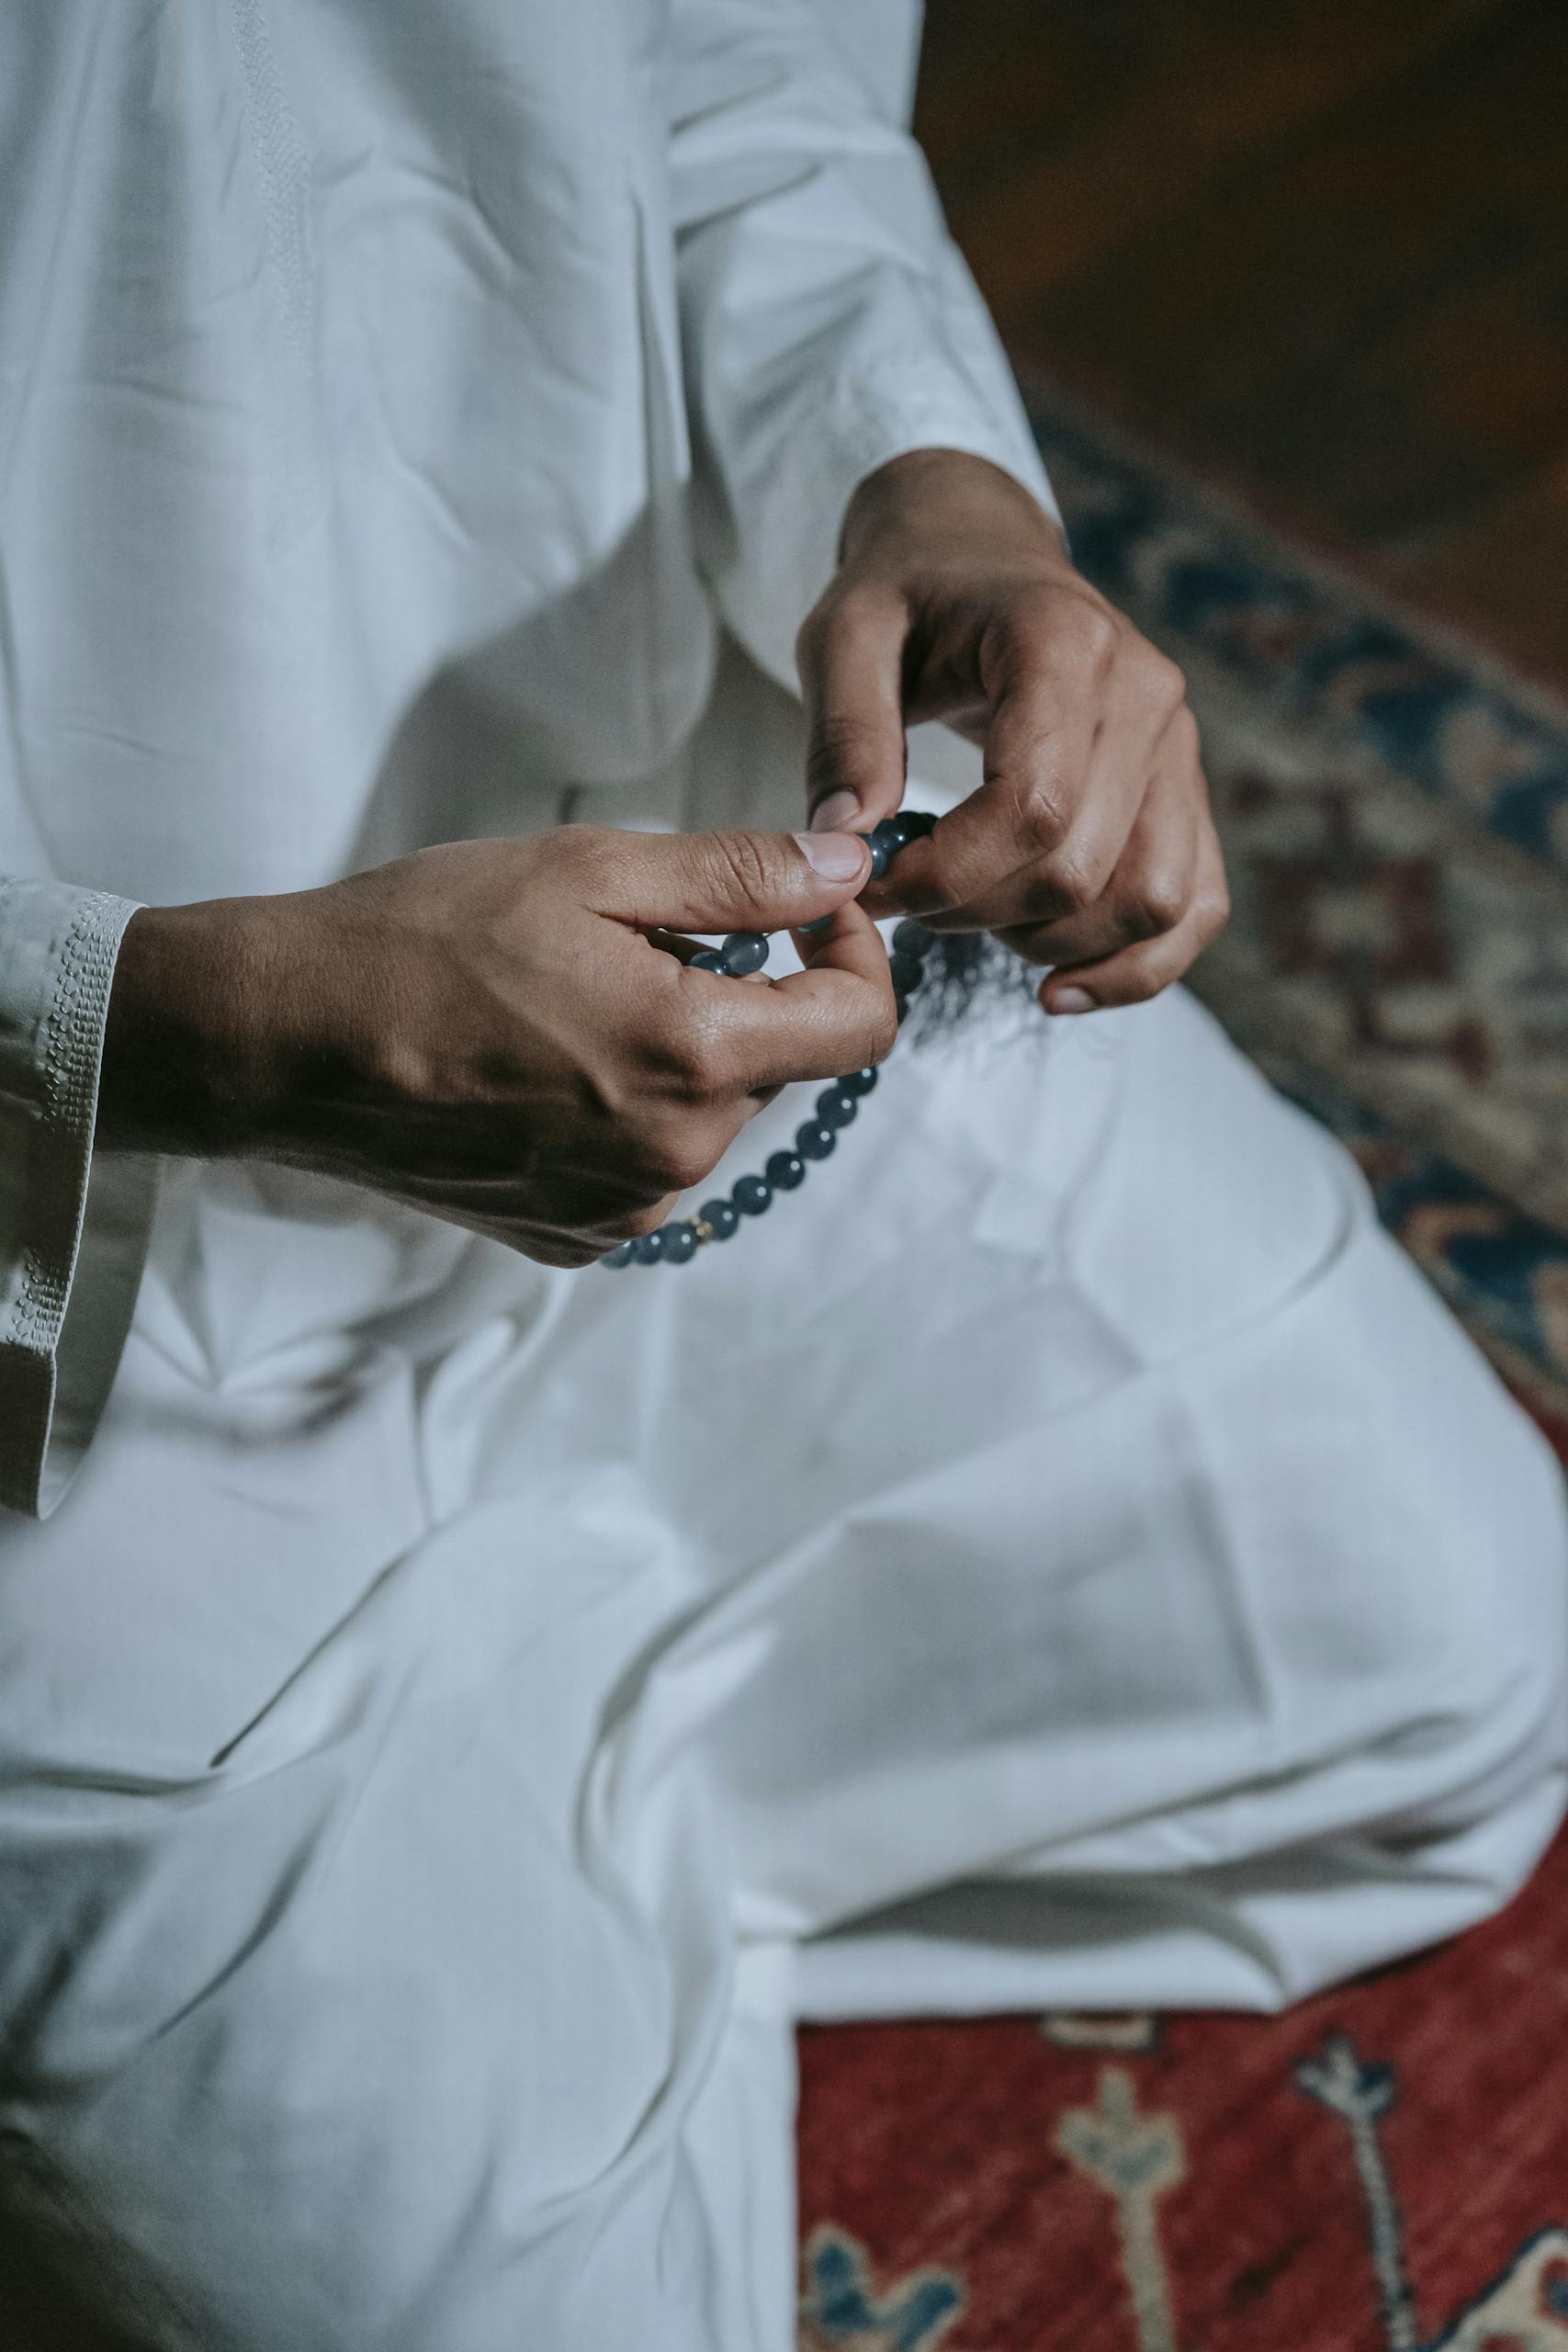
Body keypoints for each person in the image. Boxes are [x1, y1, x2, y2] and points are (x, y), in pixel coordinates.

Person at [0, 4, 1562, 2346]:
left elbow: (734, 75)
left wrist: (936, 489)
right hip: (89, 1329)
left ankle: (543, 1902)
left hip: (711, 944)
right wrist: (172, 1027)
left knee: (1463, 1674)